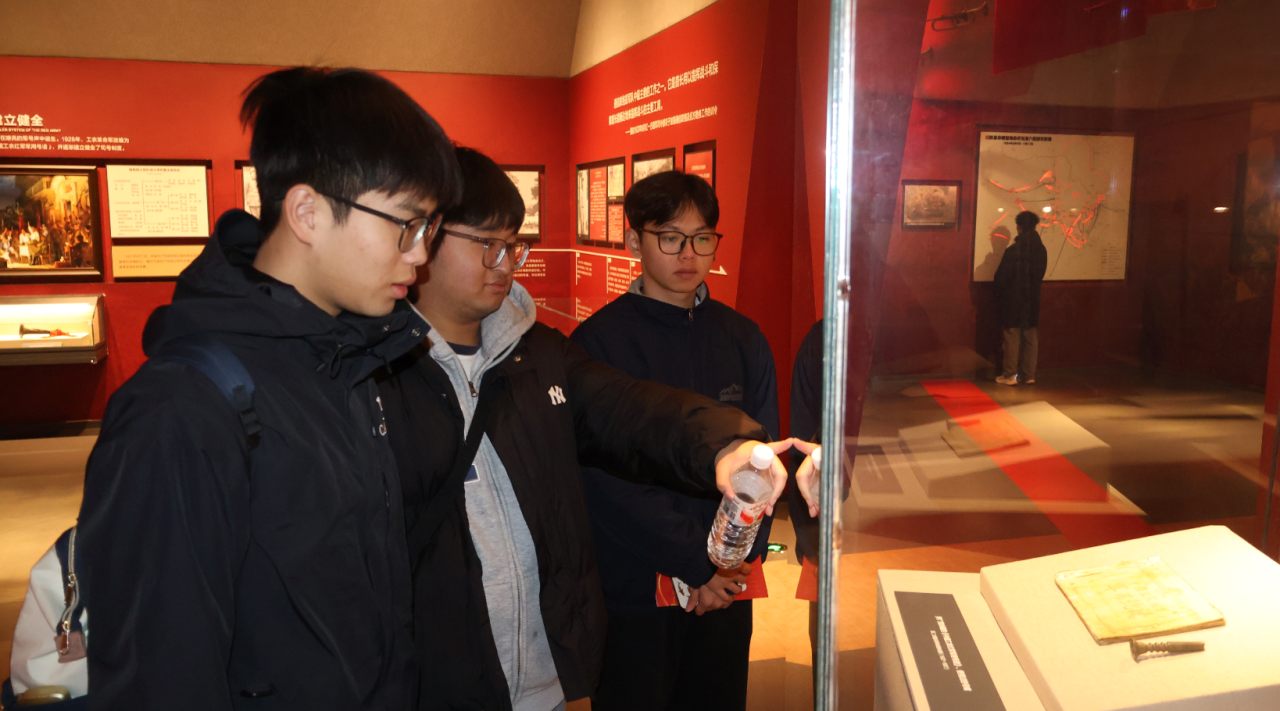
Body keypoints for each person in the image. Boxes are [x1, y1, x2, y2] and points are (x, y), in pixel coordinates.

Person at [75, 67, 460, 710]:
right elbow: (161, 678)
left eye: (430, 231)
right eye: (407, 225)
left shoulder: (347, 362)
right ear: (307, 212)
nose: (419, 256)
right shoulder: (180, 409)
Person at [377, 148, 791, 711]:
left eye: (513, 246)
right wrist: (692, 558)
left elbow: (633, 412)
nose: (506, 264)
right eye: (488, 244)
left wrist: (728, 452)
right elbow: (605, 485)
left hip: (546, 667)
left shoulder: (541, 355)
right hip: (441, 671)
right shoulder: (373, 373)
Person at [569, 170, 782, 711]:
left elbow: (766, 460)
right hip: (638, 582)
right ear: (633, 239)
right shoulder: (597, 343)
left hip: (728, 585)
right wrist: (696, 560)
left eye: (702, 238)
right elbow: (602, 481)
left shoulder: (742, 337)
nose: (688, 254)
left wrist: (731, 564)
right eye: (670, 237)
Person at [993, 210, 1048, 386]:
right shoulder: (1041, 250)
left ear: (1018, 227)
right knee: (1030, 337)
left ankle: (1010, 375)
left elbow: (1000, 278)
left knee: (1012, 337)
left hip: (1013, 300)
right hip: (1032, 300)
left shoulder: (1013, 251)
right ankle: (1028, 375)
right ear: (1035, 226)